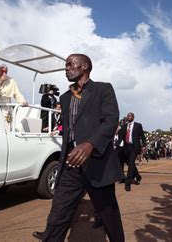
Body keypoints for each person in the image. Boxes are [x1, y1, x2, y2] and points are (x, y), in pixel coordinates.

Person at [33, 54, 124, 242]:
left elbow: (110, 121)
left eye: (70, 64)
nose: (66, 68)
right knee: (60, 210)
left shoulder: (103, 89)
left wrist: (90, 144)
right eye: (65, 65)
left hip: (97, 162)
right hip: (70, 162)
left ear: (85, 66)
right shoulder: (65, 98)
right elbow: (69, 130)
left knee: (108, 213)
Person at [116, 112, 146, 191]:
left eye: (130, 115)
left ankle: (128, 183)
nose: (128, 117)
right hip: (126, 147)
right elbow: (120, 137)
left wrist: (144, 145)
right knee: (130, 163)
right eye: (127, 116)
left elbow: (142, 136)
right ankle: (138, 176)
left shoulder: (138, 125)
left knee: (131, 163)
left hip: (135, 147)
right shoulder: (124, 126)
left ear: (133, 117)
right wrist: (116, 145)